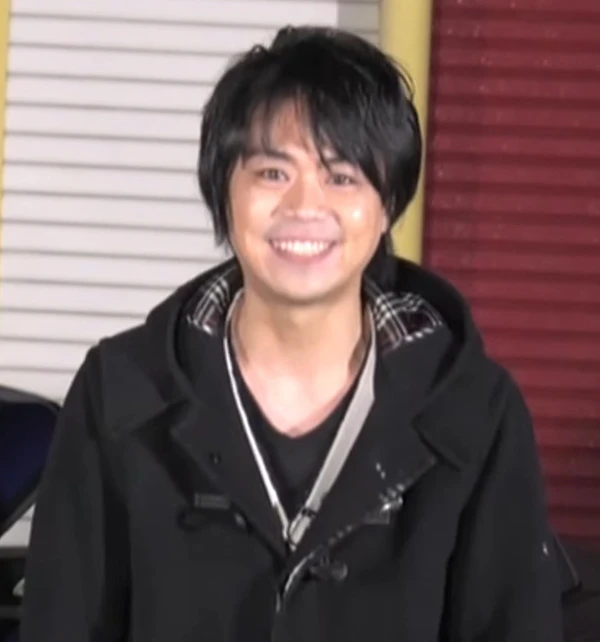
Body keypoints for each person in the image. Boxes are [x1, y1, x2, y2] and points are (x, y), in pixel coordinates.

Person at [21, 26, 563, 641]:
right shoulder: (121, 392)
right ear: (224, 192)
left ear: (387, 205)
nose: (305, 206)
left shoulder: (473, 410)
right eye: (273, 173)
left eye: (342, 177)